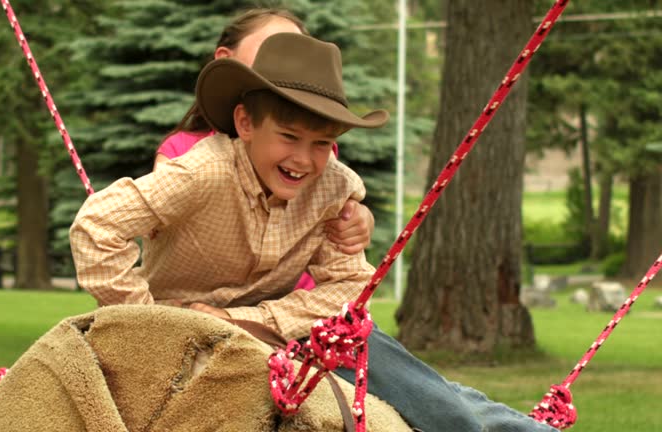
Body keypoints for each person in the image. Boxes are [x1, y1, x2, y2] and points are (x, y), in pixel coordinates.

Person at [71, 33, 557, 432]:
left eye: (322, 143)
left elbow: (349, 289)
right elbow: (97, 226)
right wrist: (150, 324)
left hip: (288, 333)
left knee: (431, 398)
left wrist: (246, 319)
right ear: (245, 123)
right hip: (184, 335)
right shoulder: (202, 172)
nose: (304, 159)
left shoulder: (333, 188)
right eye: (289, 137)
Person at [153, 9, 375, 290]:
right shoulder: (183, 151)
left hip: (297, 305)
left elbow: (334, 209)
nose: (285, 64)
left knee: (370, 334)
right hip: (210, 310)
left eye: (297, 57)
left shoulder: (310, 153)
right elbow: (159, 223)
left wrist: (359, 219)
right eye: (270, 50)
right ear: (226, 59)